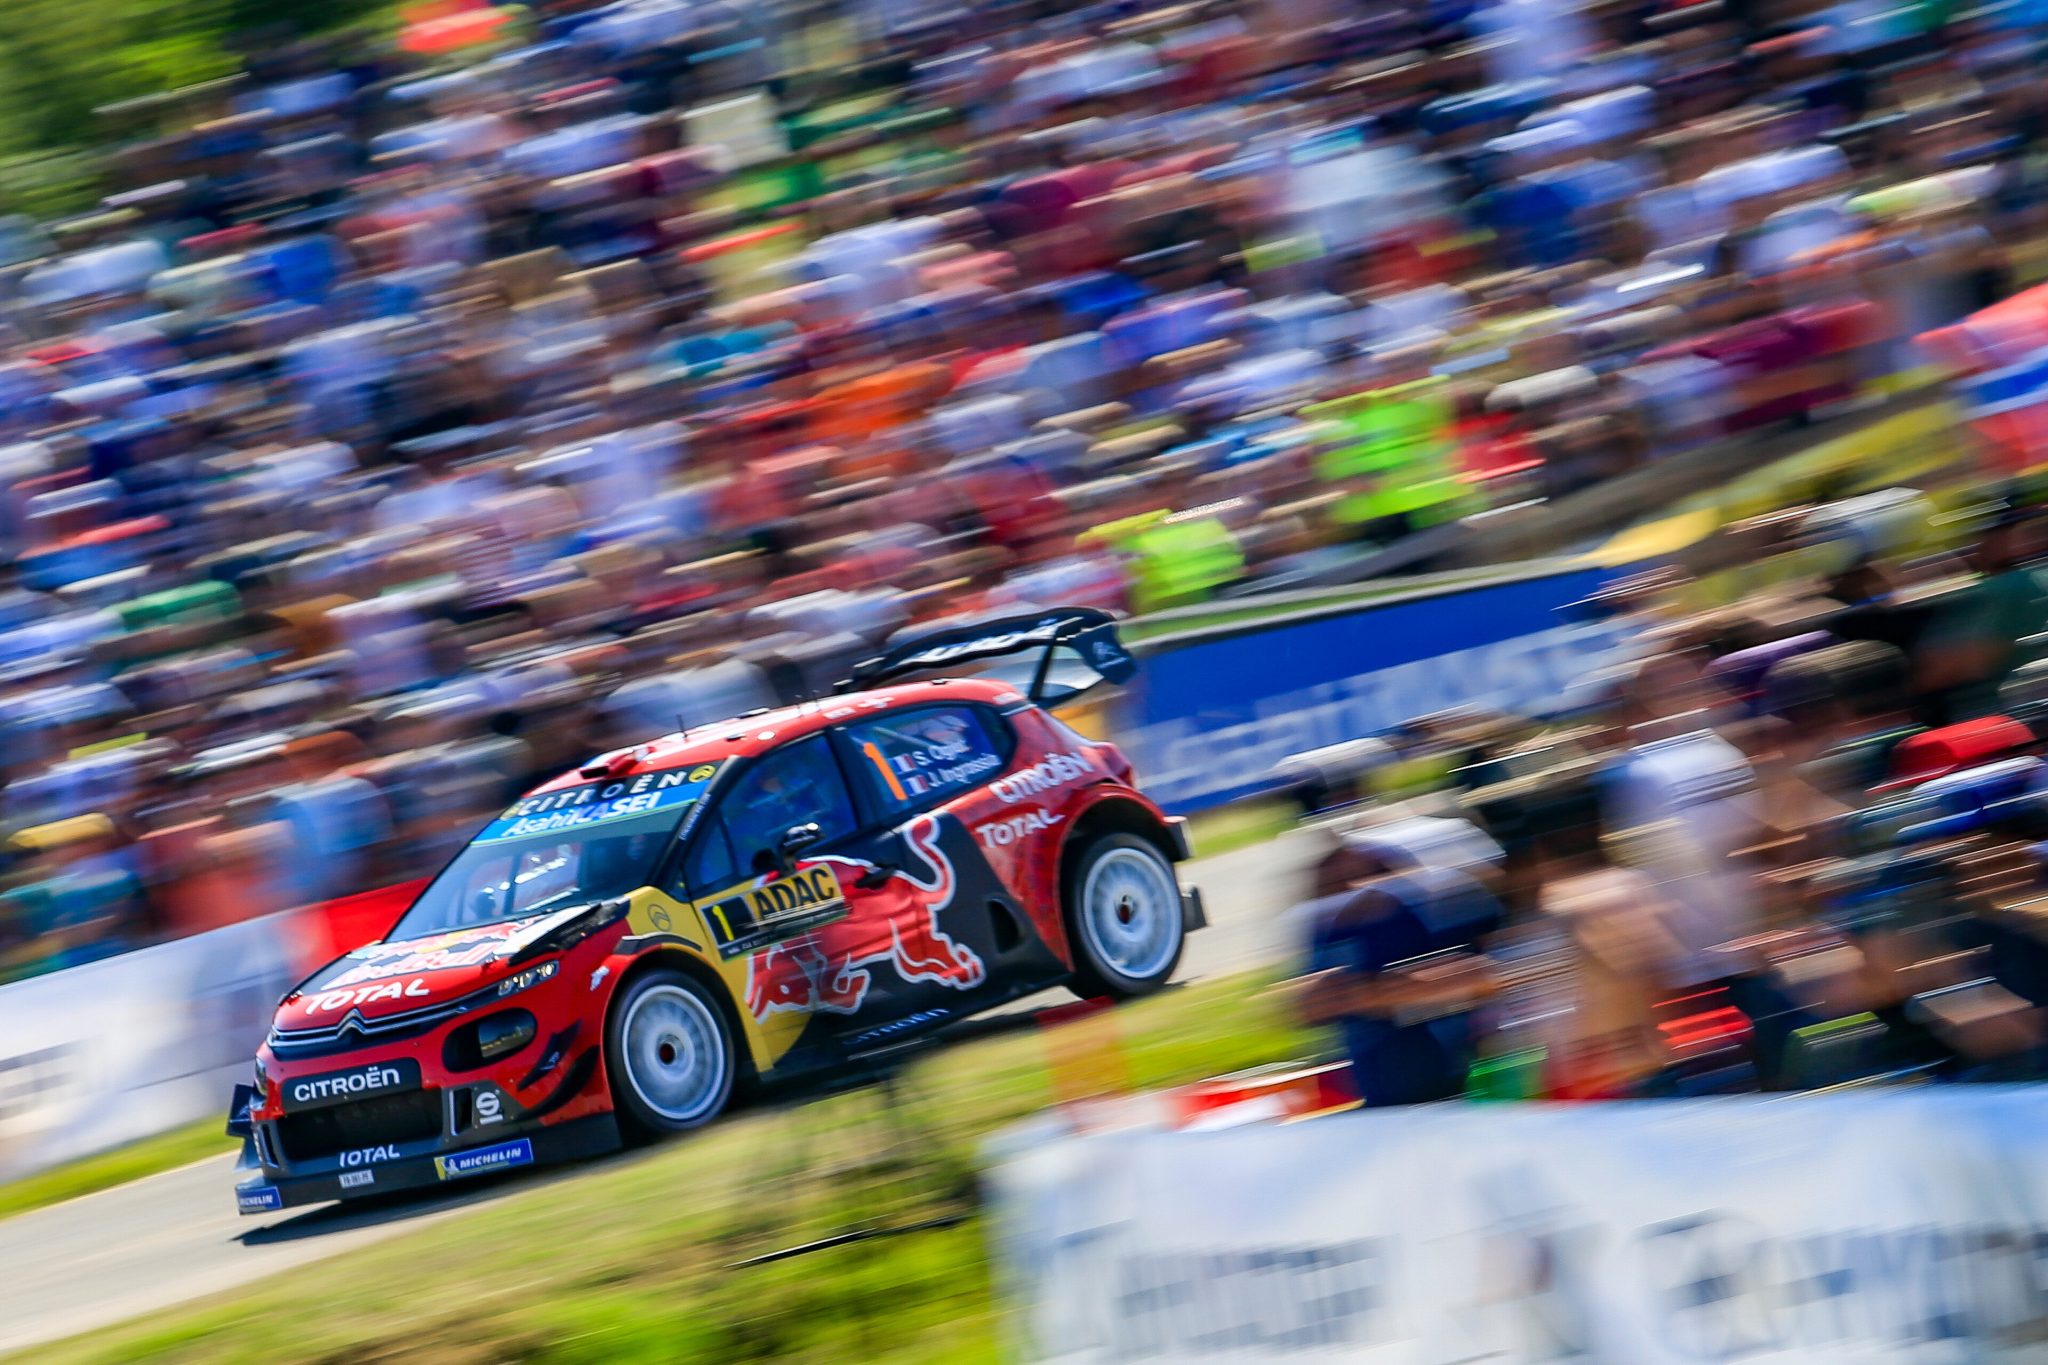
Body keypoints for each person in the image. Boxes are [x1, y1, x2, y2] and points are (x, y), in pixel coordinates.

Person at [1296, 841, 1500, 1106]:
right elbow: (1308, 1005)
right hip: (1383, 1097)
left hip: (1461, 1085)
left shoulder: (1428, 913)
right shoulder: (1331, 932)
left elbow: (1483, 977)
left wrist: (1375, 995)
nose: (1350, 890)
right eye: (1332, 885)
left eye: (1364, 876)